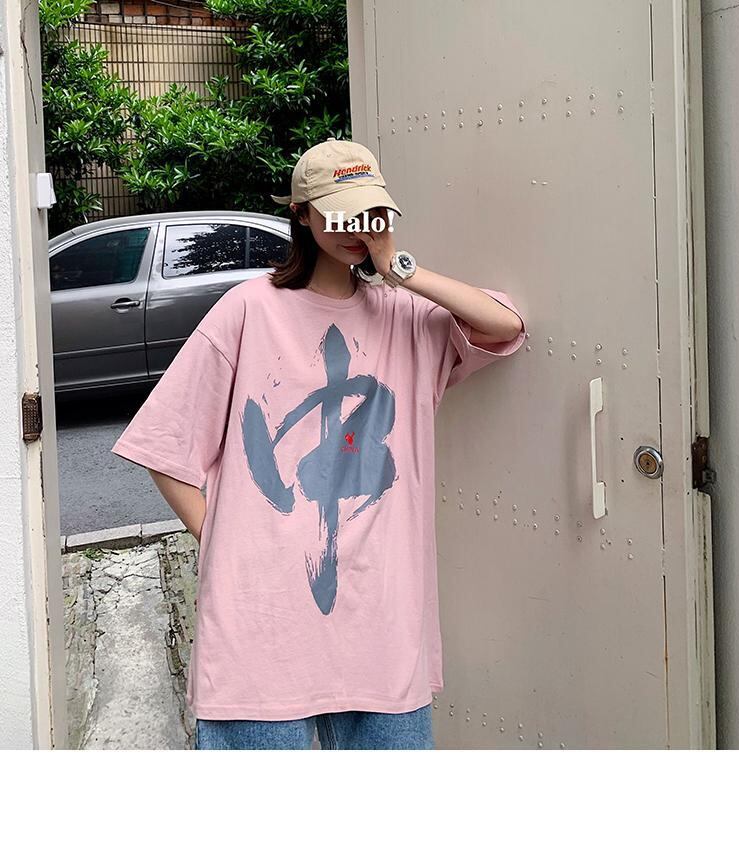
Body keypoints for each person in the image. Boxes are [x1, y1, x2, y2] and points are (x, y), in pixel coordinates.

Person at [110, 138, 527, 750]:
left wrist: (400, 268)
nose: (356, 228)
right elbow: (165, 447)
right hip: (262, 623)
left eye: (370, 213)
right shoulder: (248, 310)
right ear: (302, 215)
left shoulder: (405, 315)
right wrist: (223, 541)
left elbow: (506, 326)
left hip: (380, 621)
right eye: (339, 213)